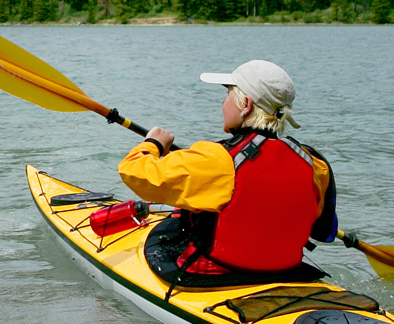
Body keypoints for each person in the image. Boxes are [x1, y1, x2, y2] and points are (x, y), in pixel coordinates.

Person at [117, 59, 338, 287]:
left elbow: (133, 170)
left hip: (216, 274)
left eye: (228, 95)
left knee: (171, 227)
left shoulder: (217, 158)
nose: (223, 104)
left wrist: (154, 143)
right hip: (287, 271)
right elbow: (322, 229)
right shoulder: (313, 164)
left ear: (246, 105)